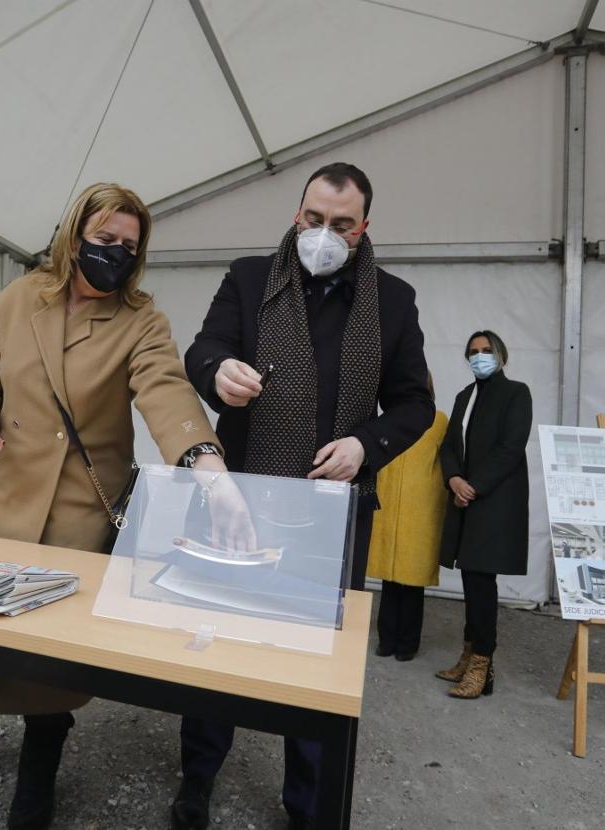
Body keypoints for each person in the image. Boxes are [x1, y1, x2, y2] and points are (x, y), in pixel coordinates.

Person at [0, 182, 246, 830]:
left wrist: (210, 471)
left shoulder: (142, 320)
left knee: (50, 656)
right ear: (74, 233)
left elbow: (166, 393)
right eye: (104, 239)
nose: (115, 254)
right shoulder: (19, 298)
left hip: (81, 510)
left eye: (128, 246)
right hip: (5, 497)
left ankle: (39, 767)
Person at [176, 163, 434, 830]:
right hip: (239, 498)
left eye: (341, 225)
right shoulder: (249, 278)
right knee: (215, 649)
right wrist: (217, 372)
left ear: (364, 227)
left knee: (316, 666)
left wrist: (366, 446)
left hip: (331, 513)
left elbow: (416, 404)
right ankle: (197, 779)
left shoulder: (395, 301)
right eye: (313, 219)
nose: (323, 234)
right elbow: (203, 349)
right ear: (298, 213)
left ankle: (309, 805)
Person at [436, 330, 533, 699]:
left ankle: (482, 664)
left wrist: (472, 487)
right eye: (473, 352)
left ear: (500, 355)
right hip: (465, 498)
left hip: (492, 502)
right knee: (471, 580)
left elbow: (511, 448)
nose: (479, 356)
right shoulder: (465, 396)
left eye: (486, 350)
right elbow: (449, 447)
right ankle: (469, 655)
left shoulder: (516, 393)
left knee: (481, 582)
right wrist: (454, 479)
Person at [366, 372, 447, 662]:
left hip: (420, 511)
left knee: (412, 583)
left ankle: (408, 643)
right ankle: (386, 639)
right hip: (388, 508)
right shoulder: (383, 420)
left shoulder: (439, 422)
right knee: (389, 579)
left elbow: (446, 462)